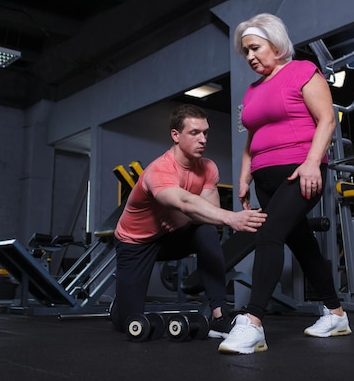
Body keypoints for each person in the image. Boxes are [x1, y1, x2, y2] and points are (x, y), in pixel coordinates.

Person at [218, 13, 351, 355]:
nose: (249, 56)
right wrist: (245, 175)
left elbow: (327, 120)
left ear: (276, 43)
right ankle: (336, 313)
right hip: (264, 176)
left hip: (298, 172)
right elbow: (252, 135)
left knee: (270, 235)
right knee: (302, 244)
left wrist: (311, 163)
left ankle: (253, 323)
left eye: (255, 48)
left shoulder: (303, 71)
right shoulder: (251, 90)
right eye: (245, 51)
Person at [111, 103, 268, 339]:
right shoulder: (160, 170)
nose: (203, 139)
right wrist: (232, 218)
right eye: (194, 133)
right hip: (136, 243)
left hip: (170, 237)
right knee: (128, 322)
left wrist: (183, 217)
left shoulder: (208, 168)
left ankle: (219, 315)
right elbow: (184, 201)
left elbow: (208, 210)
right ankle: (118, 308)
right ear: (175, 135)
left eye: (205, 132)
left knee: (205, 230)